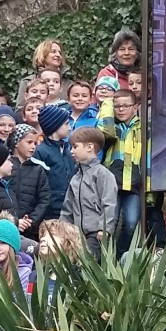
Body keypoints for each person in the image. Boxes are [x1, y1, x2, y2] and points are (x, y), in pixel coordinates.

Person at [60, 127, 118, 260]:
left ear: (89, 147)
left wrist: (105, 229)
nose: (71, 151)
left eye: (75, 147)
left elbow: (109, 203)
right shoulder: (76, 177)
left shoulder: (102, 174)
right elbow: (67, 208)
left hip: (96, 233)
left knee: (90, 266)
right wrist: (62, 230)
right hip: (76, 234)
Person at [101, 89, 144, 255]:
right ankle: (107, 258)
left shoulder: (143, 127)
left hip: (133, 183)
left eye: (126, 106)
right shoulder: (110, 127)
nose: (121, 109)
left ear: (135, 107)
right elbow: (104, 131)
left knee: (131, 223)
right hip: (111, 183)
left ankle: (121, 256)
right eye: (117, 106)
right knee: (108, 224)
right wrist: (107, 103)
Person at [9, 124, 52, 240]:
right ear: (16, 142)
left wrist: (31, 220)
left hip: (31, 230)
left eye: (35, 143)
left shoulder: (38, 169)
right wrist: (14, 221)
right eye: (29, 142)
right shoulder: (5, 166)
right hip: (8, 226)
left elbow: (44, 198)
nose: (33, 147)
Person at [35, 103, 76, 222]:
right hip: (51, 210)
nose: (69, 128)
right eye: (66, 124)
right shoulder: (41, 151)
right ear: (55, 126)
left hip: (67, 207)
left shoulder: (66, 149)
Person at [16, 37, 66, 109]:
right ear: (43, 54)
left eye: (60, 53)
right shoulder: (28, 81)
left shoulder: (68, 83)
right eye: (53, 51)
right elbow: (20, 109)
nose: (58, 55)